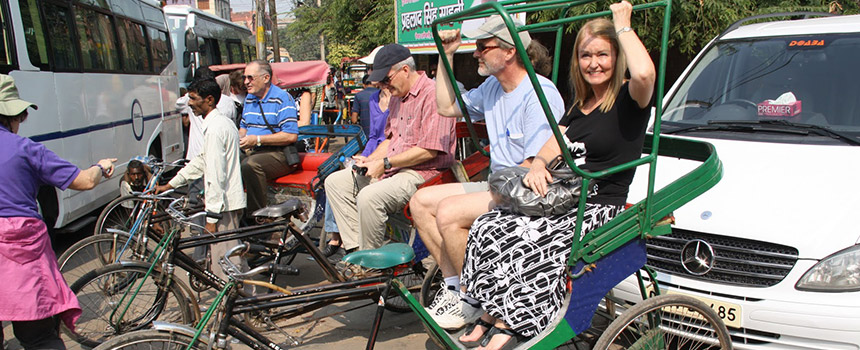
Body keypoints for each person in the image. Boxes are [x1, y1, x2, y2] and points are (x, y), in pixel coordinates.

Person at [459, 3, 656, 348]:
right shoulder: (582, 104)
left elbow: (644, 75)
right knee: (489, 225)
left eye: (602, 55)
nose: (593, 63)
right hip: (566, 198)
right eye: (585, 55)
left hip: (597, 208)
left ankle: (516, 323)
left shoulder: (628, 98)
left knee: (525, 237)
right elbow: (554, 142)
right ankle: (492, 311)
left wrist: (622, 24)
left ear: (616, 56)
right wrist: (538, 164)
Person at [409, 15, 565, 330]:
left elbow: (534, 167)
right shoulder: (494, 87)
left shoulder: (539, 93)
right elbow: (446, 107)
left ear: (509, 52)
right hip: (499, 185)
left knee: (450, 211)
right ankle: (456, 289)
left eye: (483, 46)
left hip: (527, 191)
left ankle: (473, 296)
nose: (477, 53)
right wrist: (446, 55)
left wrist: (492, 189)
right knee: (420, 202)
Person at [0, 74, 117, 350]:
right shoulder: (25, 150)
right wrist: (100, 167)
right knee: (40, 336)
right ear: (13, 115)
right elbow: (85, 181)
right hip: (22, 255)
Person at [324, 44, 456, 253]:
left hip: (424, 173)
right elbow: (391, 139)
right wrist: (370, 159)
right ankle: (358, 250)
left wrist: (384, 163)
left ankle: (372, 263)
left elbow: (430, 150)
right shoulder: (396, 97)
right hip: (395, 168)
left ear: (405, 70)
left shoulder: (431, 94)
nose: (383, 86)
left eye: (386, 79)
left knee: (369, 197)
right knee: (335, 182)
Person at [156, 79, 246, 282]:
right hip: (224, 203)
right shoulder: (217, 124)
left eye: (194, 99)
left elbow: (215, 176)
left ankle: (240, 310)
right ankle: (243, 305)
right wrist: (171, 184)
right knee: (229, 259)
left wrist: (212, 217)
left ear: (210, 100)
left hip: (223, 205)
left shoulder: (216, 129)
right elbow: (201, 161)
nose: (190, 103)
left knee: (226, 263)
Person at [322, 74, 391, 257]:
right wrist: (364, 157)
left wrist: (373, 160)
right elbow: (374, 136)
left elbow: (393, 140)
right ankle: (339, 236)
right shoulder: (374, 98)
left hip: (390, 157)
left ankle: (365, 250)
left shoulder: (401, 100)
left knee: (366, 193)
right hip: (374, 152)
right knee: (335, 180)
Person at [239, 59, 299, 217]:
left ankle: (258, 217)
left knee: (250, 165)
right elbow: (243, 128)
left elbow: (290, 135)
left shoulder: (282, 98)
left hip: (278, 154)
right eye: (244, 78)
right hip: (251, 150)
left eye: (250, 78)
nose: (246, 82)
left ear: (266, 78)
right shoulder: (249, 99)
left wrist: (257, 140)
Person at [350, 75, 378, 140]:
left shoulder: (359, 96)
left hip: (365, 134)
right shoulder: (382, 94)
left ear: (364, 85)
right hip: (381, 133)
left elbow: (354, 119)